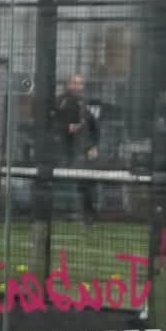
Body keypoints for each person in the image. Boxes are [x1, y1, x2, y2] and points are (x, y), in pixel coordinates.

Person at [51, 73, 99, 225]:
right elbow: (50, 124)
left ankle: (87, 216)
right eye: (75, 83)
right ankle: (61, 213)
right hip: (63, 150)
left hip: (82, 150)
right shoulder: (60, 101)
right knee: (62, 182)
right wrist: (67, 128)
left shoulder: (84, 103)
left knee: (86, 182)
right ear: (68, 85)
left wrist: (93, 146)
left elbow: (93, 127)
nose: (79, 87)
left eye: (80, 83)